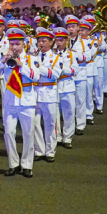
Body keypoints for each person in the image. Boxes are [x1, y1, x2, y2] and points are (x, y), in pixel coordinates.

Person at [0, 29, 40, 178]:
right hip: (10, 101)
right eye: (12, 44)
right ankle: (13, 164)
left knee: (28, 134)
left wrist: (20, 65)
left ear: (24, 45)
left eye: (17, 44)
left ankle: (27, 165)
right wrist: (3, 62)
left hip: (26, 100)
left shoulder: (32, 59)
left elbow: (35, 76)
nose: (14, 47)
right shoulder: (5, 59)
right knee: (9, 133)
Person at [32, 28, 61, 163]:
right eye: (39, 41)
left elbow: (54, 75)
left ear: (51, 42)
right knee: (35, 123)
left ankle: (50, 150)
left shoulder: (56, 57)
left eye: (44, 41)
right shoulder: (32, 56)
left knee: (50, 124)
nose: (41, 44)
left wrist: (39, 67)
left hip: (49, 93)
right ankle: (39, 149)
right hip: (35, 92)